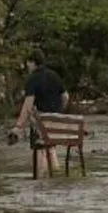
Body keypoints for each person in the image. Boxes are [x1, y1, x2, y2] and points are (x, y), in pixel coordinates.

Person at [10, 50, 70, 178]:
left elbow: (28, 105)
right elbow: (65, 97)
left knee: (39, 148)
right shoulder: (54, 75)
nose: (27, 66)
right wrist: (58, 111)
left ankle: (40, 179)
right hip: (56, 124)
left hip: (41, 124)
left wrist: (19, 126)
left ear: (32, 62)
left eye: (28, 63)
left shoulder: (32, 79)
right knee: (50, 147)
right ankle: (55, 176)